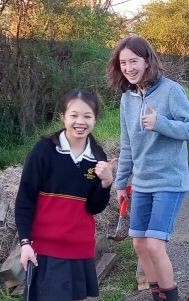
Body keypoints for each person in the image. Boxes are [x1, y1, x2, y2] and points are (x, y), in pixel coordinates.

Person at [106, 36, 189, 301]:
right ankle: (157, 296)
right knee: (139, 243)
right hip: (140, 183)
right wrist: (120, 183)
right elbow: (127, 145)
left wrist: (161, 123)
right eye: (123, 63)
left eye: (134, 61)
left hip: (169, 181)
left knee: (154, 244)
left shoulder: (171, 91)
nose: (128, 67)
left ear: (147, 60)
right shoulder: (127, 99)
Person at [15, 89, 115, 301]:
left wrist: (106, 182)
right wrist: (25, 243)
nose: (80, 122)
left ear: (95, 118)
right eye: (74, 115)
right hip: (46, 248)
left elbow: (93, 208)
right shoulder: (44, 150)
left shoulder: (97, 156)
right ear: (63, 117)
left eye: (87, 116)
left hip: (80, 246)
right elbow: (25, 199)